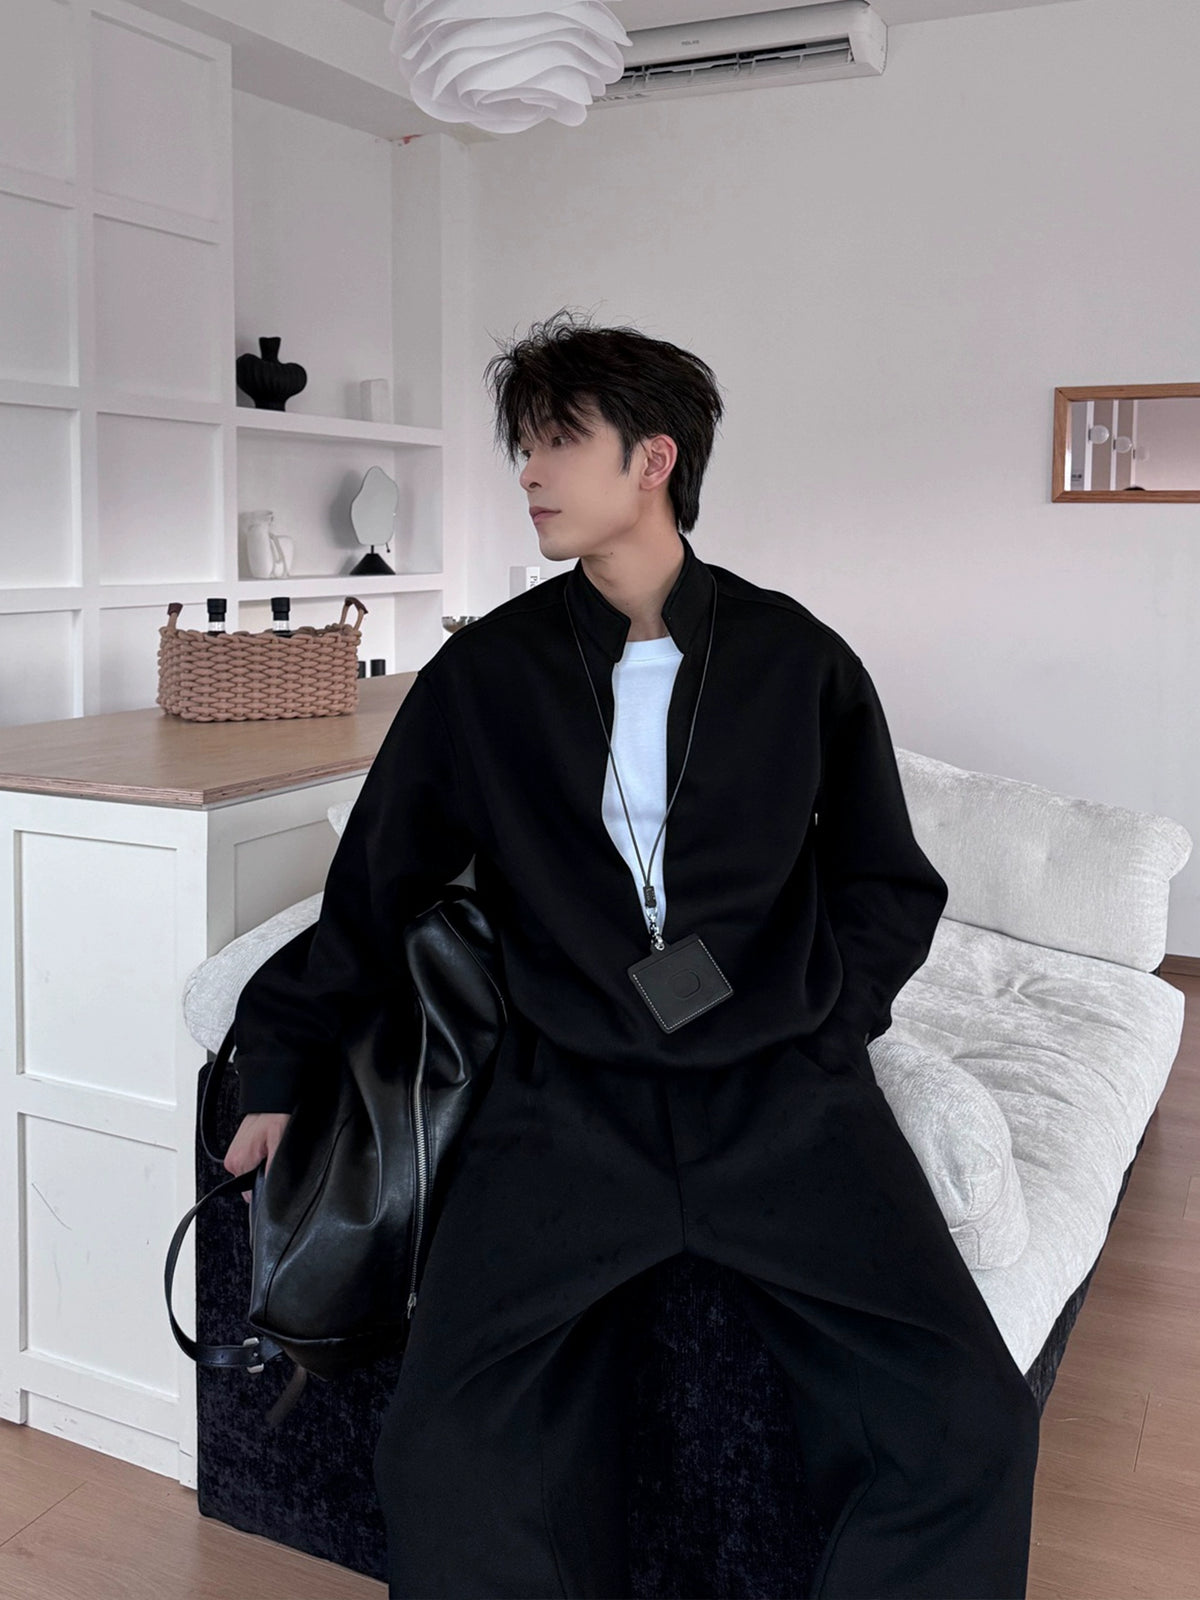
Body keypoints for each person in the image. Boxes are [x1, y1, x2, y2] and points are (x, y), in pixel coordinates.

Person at [224, 307, 1040, 1598]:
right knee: (446, 1445)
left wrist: (827, 1025)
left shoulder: (797, 658)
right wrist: (278, 1062)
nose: (528, 471)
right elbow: (377, 883)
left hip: (782, 1096)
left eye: (558, 440)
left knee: (965, 1422)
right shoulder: (486, 675)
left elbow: (887, 881)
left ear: (654, 460)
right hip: (565, 1100)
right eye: (525, 445)